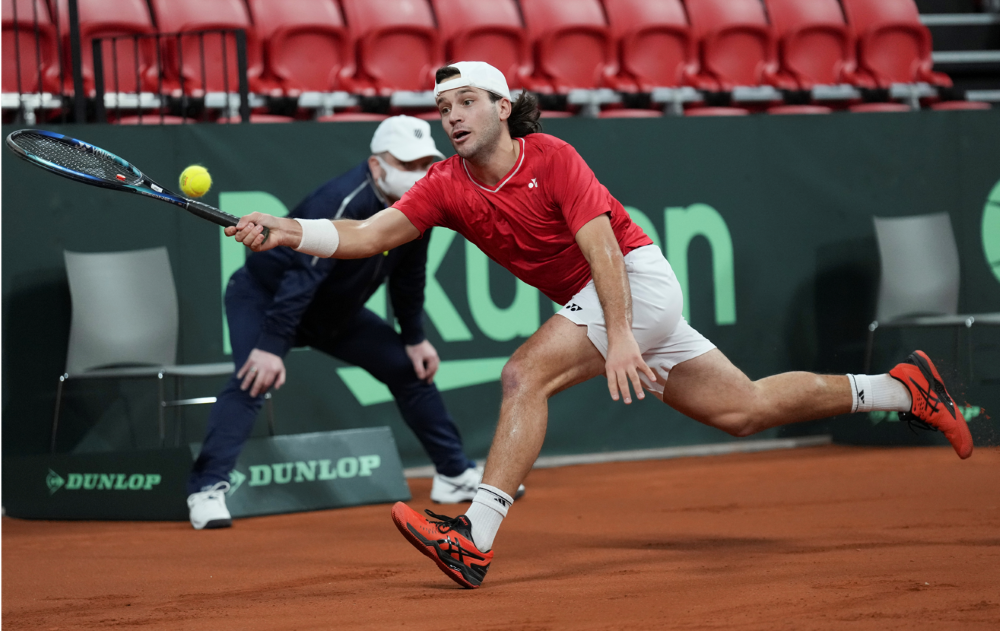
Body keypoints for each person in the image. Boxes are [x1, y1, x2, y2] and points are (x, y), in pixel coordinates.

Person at [225, 62, 974, 585]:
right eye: (442, 108)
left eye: (464, 103)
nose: (450, 117)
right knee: (744, 408)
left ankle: (473, 539)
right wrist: (288, 231)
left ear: (501, 107)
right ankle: (903, 388)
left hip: (633, 283)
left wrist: (619, 335)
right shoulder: (446, 185)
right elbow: (368, 236)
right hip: (608, 301)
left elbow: (601, 245)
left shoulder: (552, 157)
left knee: (524, 374)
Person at [187, 116, 521, 531]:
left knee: (408, 368)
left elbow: (409, 276)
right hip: (266, 298)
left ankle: (454, 475)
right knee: (253, 378)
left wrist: (415, 338)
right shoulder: (342, 199)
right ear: (377, 166)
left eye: (425, 164)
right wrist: (272, 345)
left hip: (334, 313)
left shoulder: (422, 205)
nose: (419, 173)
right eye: (408, 164)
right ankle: (206, 489)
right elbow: (302, 277)